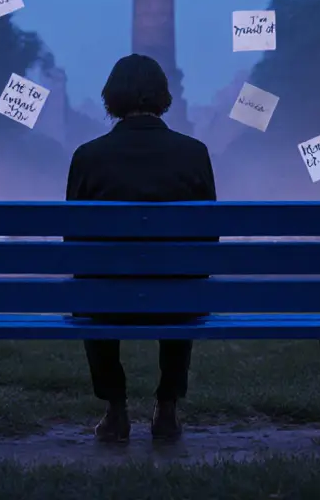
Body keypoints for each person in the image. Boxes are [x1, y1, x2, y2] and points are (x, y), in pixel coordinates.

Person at [65, 53, 218, 444]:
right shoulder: (194, 153)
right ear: (163, 96)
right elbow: (209, 239)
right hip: (177, 296)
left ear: (111, 97)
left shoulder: (87, 157)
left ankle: (115, 410)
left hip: (106, 298)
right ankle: (167, 407)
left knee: (93, 283)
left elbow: (72, 242)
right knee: (181, 279)